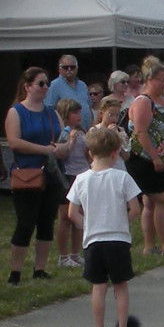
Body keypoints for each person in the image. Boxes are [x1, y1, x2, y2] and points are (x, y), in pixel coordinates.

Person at [67, 124, 141, 327]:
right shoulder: (122, 178)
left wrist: (88, 223)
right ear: (115, 153)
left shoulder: (81, 179)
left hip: (93, 239)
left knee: (98, 286)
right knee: (120, 284)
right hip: (118, 238)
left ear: (90, 153)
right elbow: (135, 209)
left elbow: (72, 213)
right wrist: (122, 221)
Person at [2, 67, 69, 285]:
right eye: (40, 83)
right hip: (28, 174)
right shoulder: (16, 112)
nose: (45, 87)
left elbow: (62, 137)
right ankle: (15, 271)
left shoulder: (52, 113)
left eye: (47, 83)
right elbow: (14, 142)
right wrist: (45, 150)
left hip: (51, 173)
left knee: (47, 221)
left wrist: (62, 148)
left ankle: (40, 268)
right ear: (27, 86)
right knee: (25, 222)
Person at [126, 56, 164, 256]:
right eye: (161, 79)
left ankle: (150, 246)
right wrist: (155, 157)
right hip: (147, 160)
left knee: (150, 203)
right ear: (150, 79)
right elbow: (141, 131)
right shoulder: (144, 101)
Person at [53, 99, 92, 267]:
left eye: (79, 112)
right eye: (75, 113)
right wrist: (70, 142)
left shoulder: (82, 132)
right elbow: (60, 154)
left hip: (82, 174)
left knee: (79, 216)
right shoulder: (64, 132)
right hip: (68, 175)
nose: (79, 115)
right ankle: (63, 256)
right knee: (65, 217)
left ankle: (76, 254)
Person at [45, 54, 93, 123]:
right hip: (66, 128)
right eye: (65, 67)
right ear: (59, 69)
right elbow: (49, 110)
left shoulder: (82, 85)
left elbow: (89, 107)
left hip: (86, 128)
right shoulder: (54, 85)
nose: (69, 69)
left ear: (77, 68)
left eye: (72, 67)